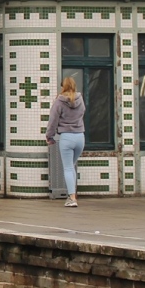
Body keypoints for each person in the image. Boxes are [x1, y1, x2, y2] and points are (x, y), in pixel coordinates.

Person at [46, 77, 86, 208]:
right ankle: (73, 194)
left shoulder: (59, 101)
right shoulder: (80, 99)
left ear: (63, 86)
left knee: (68, 167)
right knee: (72, 165)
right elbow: (82, 113)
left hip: (66, 137)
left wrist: (49, 136)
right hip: (80, 136)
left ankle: (72, 197)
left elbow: (53, 120)